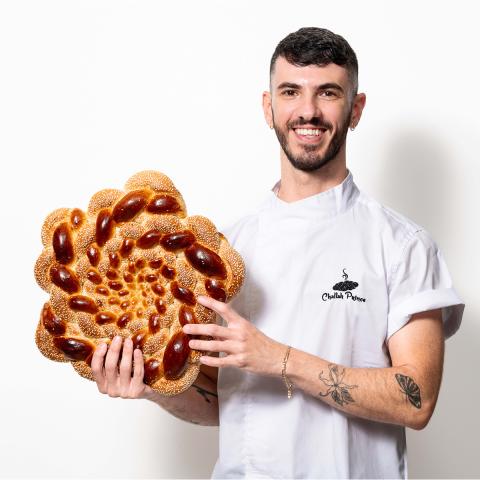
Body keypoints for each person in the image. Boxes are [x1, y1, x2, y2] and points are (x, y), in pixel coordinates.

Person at [91, 27, 465, 479]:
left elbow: (417, 398)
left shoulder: (402, 245)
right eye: (291, 92)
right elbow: (219, 405)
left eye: (328, 92)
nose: (307, 111)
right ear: (269, 108)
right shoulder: (221, 252)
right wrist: (152, 386)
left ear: (356, 109)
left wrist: (279, 359)